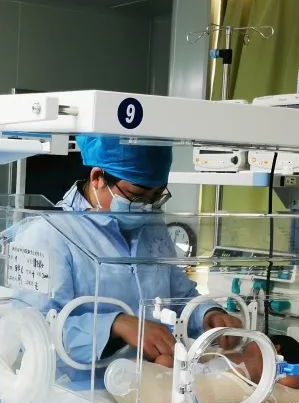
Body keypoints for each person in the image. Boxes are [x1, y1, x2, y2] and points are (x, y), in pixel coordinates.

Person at [12, 135, 242, 374]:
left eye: (156, 197)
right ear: (97, 178)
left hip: (147, 381)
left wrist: (207, 314)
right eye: (137, 196)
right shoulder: (46, 234)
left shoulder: (151, 227)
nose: (147, 207)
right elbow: (29, 329)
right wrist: (115, 325)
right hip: (75, 388)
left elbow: (178, 295)